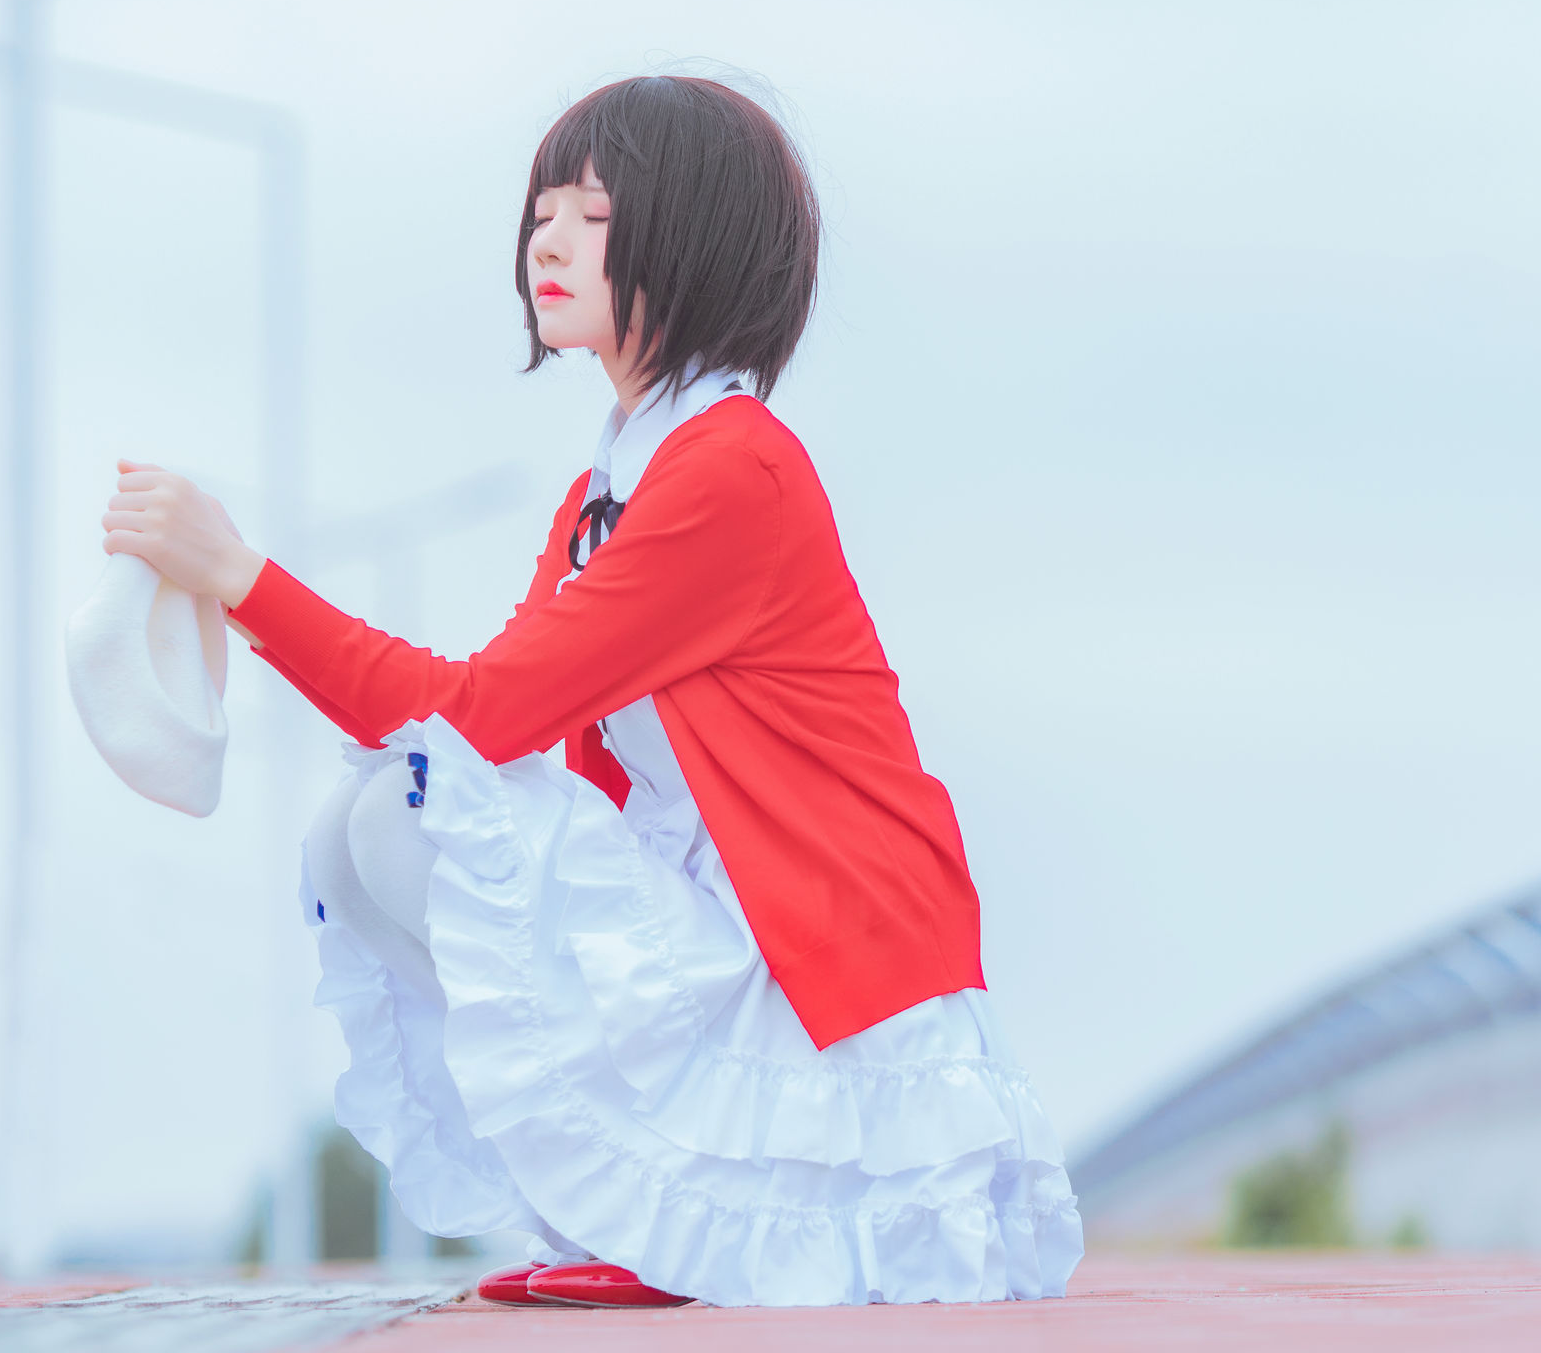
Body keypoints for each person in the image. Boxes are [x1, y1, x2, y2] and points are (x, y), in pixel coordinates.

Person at [98, 75, 1082, 1308]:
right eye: (541, 211)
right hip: (727, 925)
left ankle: (675, 1218)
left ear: (698, 239)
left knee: (410, 809)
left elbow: (474, 720)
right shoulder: (610, 491)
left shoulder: (733, 470)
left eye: (595, 215)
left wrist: (239, 576)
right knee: (375, 825)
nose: (549, 243)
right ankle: (638, 1211)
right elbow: (486, 720)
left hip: (819, 964)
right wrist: (234, 588)